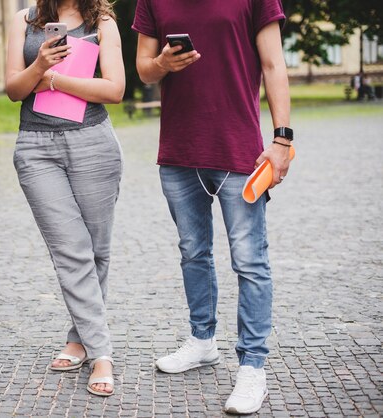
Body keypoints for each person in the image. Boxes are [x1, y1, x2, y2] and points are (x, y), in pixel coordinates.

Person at [133, 1, 292, 414]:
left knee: (250, 262)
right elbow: (143, 69)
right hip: (179, 150)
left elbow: (274, 65)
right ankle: (202, 342)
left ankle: (253, 367)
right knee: (193, 253)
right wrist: (164, 63)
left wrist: (283, 139)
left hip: (240, 154)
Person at [5, 0, 125, 397]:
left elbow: (114, 89)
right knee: (71, 250)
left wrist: (55, 81)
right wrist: (39, 65)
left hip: (92, 142)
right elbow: (13, 89)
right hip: (36, 148)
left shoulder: (102, 21)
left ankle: (78, 339)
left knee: (96, 250)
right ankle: (101, 353)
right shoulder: (22, 20)